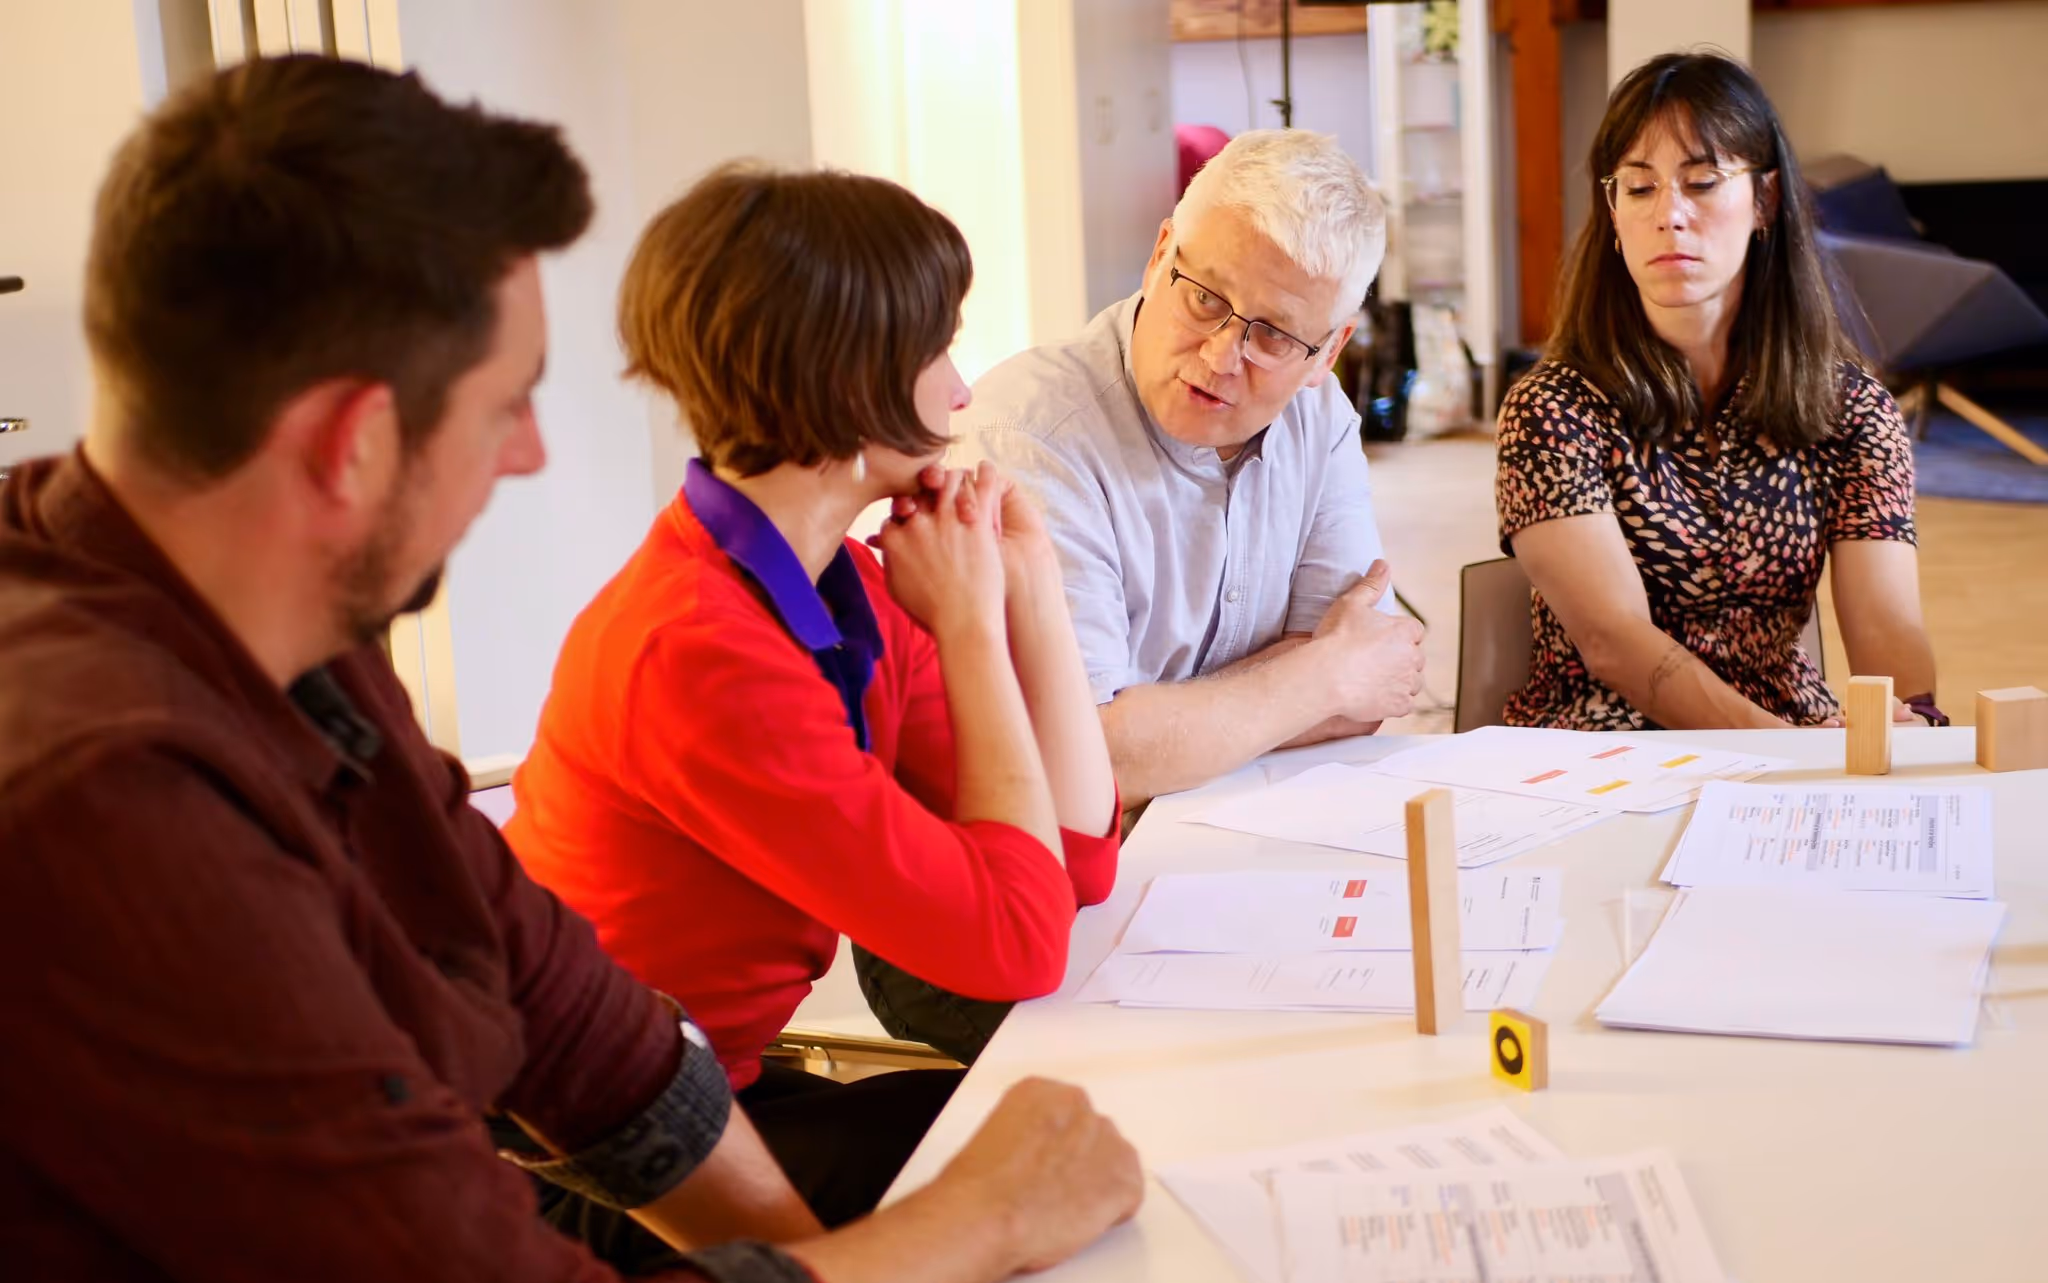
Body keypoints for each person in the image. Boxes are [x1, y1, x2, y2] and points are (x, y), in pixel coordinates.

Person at [0, 57, 1141, 1283]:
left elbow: (584, 1025)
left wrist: (857, 1273)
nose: (534, 455)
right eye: (507, 409)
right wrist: (968, 1225)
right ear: (353, 441)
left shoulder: (261, 633)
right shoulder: (120, 810)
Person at [504, 165, 1122, 1196]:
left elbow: (1069, 866)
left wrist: (1031, 585)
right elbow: (1022, 943)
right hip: (579, 1157)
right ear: (849, 385)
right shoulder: (699, 651)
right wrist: (971, 628)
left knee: (1066, 1127)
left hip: (707, 1092)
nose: (963, 390)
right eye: (936, 350)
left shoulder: (850, 581)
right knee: (1040, 1170)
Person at [953, 128, 1427, 809]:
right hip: (1082, 871)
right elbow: (1090, 758)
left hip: (1263, 831)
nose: (1219, 355)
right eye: (1204, 296)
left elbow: (1373, 686)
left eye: (1272, 334)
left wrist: (1163, 725)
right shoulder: (1025, 434)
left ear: (1328, 352)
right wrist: (1321, 674)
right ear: (1158, 256)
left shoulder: (1319, 417)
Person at [1497, 51, 1941, 731]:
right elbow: (1614, 642)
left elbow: (1888, 623)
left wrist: (1907, 725)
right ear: (1612, 211)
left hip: (1793, 732)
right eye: (1639, 188)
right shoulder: (1552, 409)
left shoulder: (1852, 410)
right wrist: (1788, 752)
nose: (1669, 215)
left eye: (1701, 182)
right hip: (1602, 750)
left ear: (1764, 200)